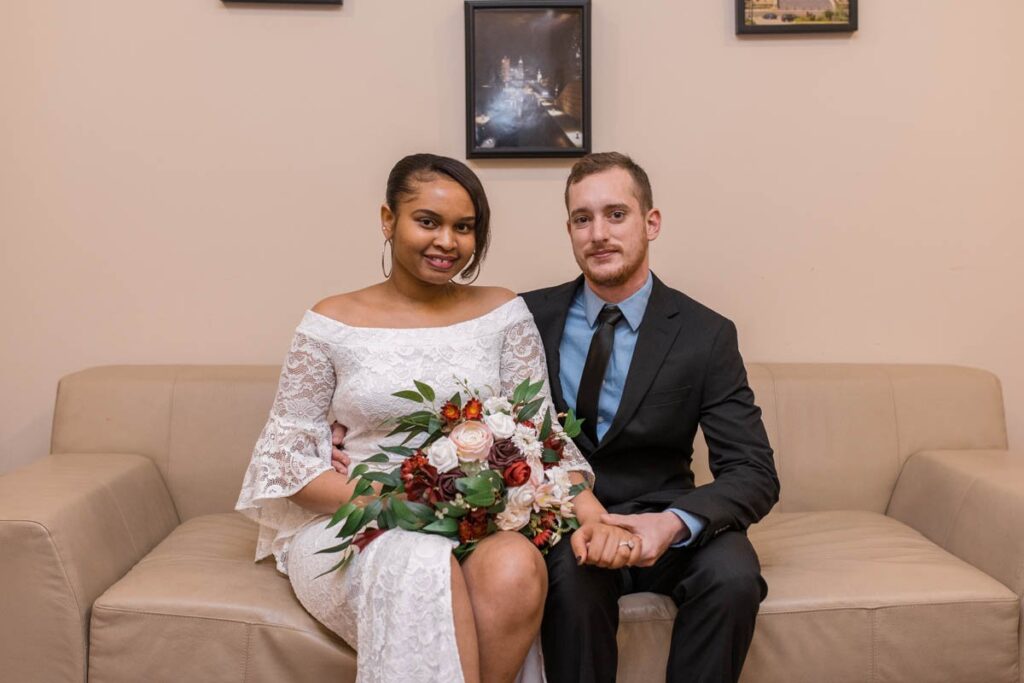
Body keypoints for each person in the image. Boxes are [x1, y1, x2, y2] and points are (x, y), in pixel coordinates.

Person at [235, 153, 602, 683]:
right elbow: (288, 467)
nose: (446, 242)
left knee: (517, 566)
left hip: (474, 522)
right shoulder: (330, 323)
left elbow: (539, 435)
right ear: (389, 220)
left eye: (464, 227)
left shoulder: (503, 313)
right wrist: (399, 501)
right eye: (427, 221)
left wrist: (592, 513)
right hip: (360, 520)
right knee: (421, 564)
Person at [522, 152, 780, 683]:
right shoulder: (526, 318)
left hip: (667, 512)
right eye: (582, 218)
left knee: (734, 577)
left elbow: (754, 472)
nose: (598, 233)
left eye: (616, 214)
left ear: (651, 222)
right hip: (571, 519)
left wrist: (671, 525)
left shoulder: (706, 335)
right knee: (568, 583)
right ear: (569, 229)